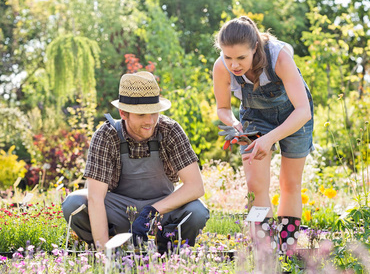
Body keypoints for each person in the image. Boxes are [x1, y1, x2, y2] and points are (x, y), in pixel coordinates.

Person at [62, 71, 209, 254]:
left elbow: (195, 187)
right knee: (73, 204)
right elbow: (95, 197)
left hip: (161, 210)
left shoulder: (170, 130)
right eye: (141, 115)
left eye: (154, 113)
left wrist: (151, 212)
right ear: (123, 113)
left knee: (197, 211)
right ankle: (112, 250)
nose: (150, 121)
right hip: (119, 211)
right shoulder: (106, 135)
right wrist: (105, 254)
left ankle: (168, 252)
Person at [212, 16, 314, 256]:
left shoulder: (279, 57)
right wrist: (237, 125)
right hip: (254, 117)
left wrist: (269, 139)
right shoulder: (221, 67)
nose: (234, 65)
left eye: (240, 58)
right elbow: (223, 109)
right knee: (255, 185)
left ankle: (286, 251)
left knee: (290, 183)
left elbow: (303, 111)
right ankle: (265, 252)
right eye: (228, 57)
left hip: (294, 116)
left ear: (255, 48)